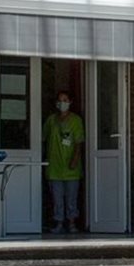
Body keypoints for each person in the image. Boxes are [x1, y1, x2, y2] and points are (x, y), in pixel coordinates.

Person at [43, 90, 86, 233]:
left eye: (65, 100)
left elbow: (79, 142)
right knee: (57, 198)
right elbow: (43, 138)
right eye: (60, 100)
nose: (62, 103)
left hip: (70, 166)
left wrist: (75, 159)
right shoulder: (51, 120)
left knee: (71, 198)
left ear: (70, 102)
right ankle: (59, 222)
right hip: (54, 166)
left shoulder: (75, 120)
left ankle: (72, 222)